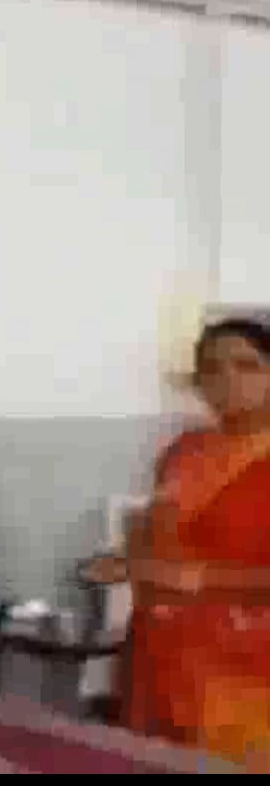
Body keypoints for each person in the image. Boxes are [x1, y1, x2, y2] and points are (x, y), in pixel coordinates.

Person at [110, 317, 270, 768]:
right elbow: (156, 536)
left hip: (246, 669)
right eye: (212, 368)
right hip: (161, 656)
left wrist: (200, 579)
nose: (228, 379)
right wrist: (130, 562)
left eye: (247, 365)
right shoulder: (185, 451)